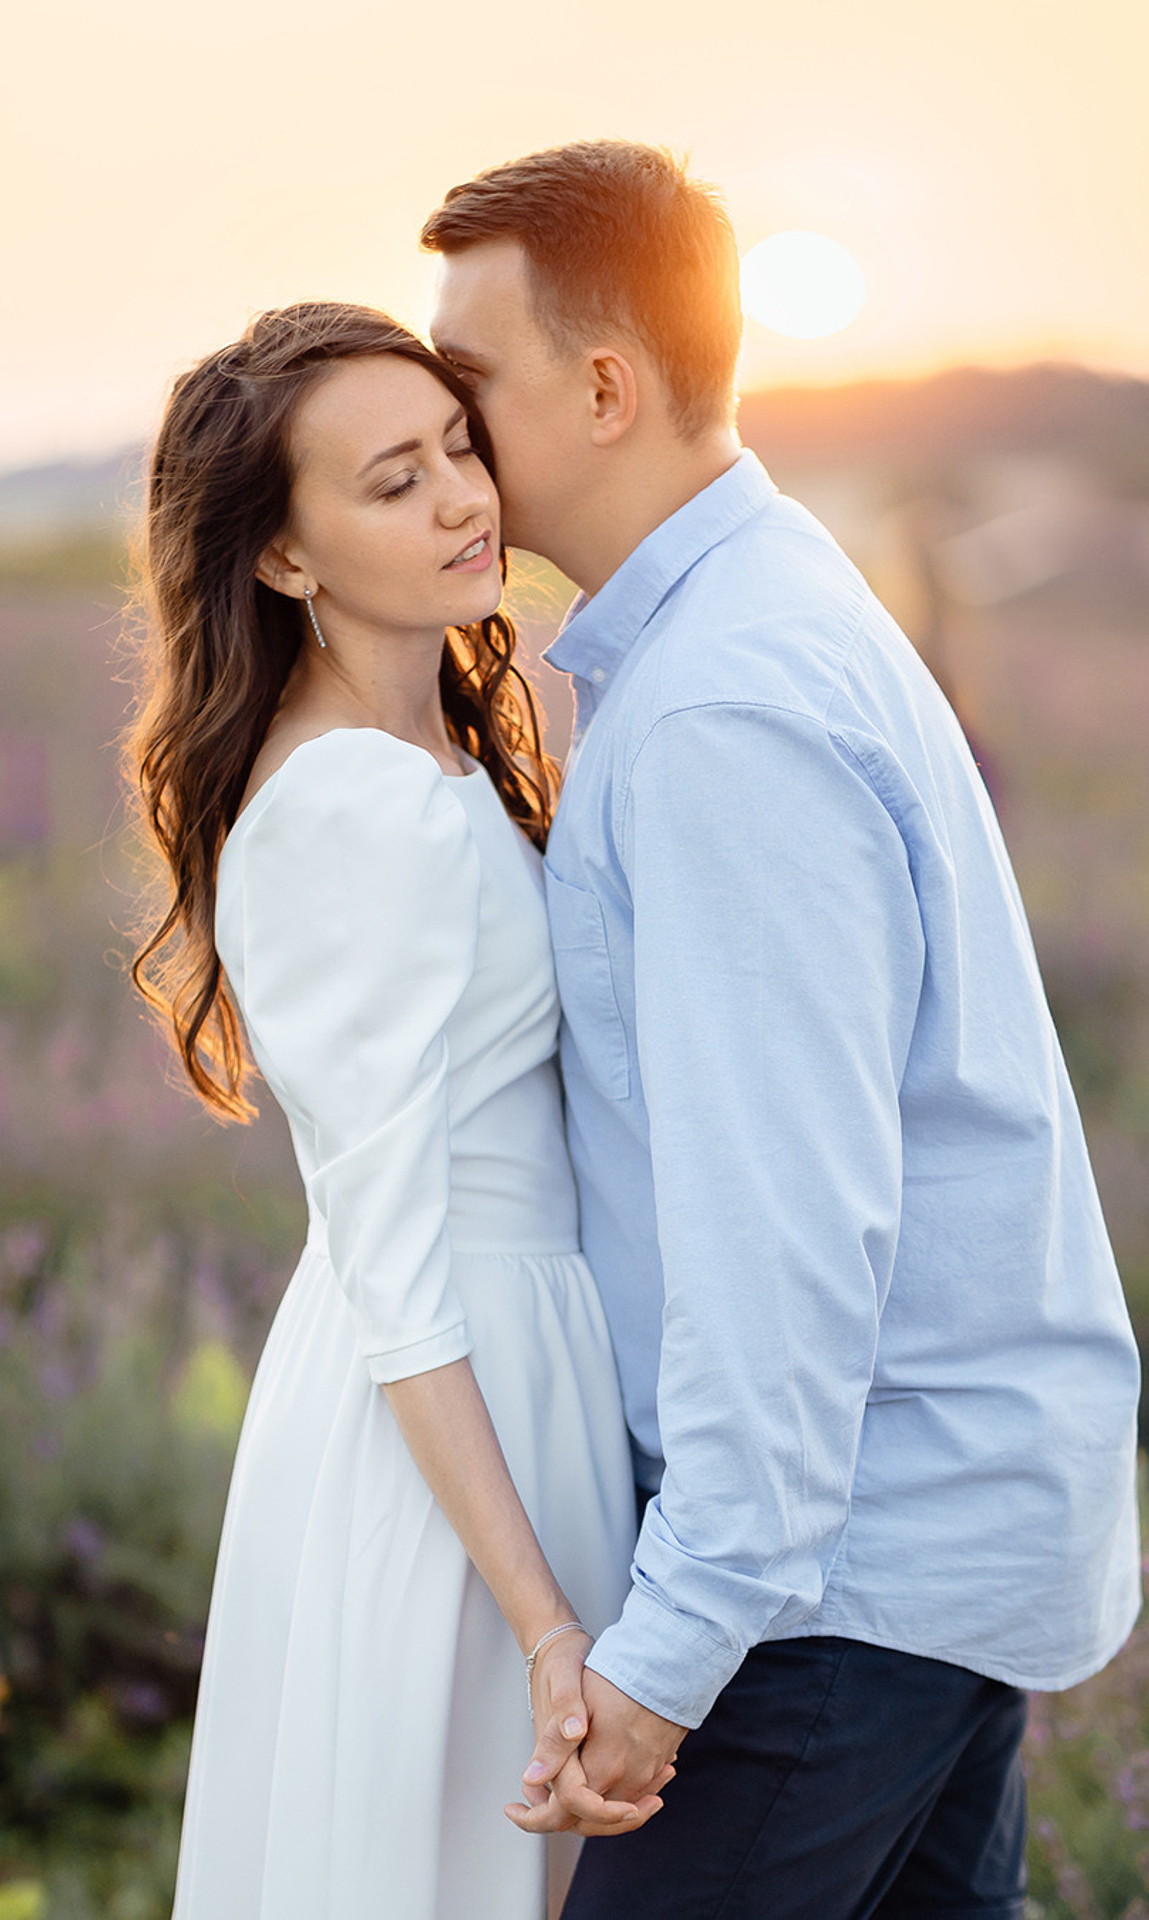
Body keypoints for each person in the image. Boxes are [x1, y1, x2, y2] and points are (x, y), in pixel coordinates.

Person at [422, 140, 1142, 1918]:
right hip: (906, 1542)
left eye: (467, 383)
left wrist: (670, 1653)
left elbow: (789, 1230)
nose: (442, 436)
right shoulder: (743, 624)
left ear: (603, 387)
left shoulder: (721, 709)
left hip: (826, 1585)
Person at [125, 302, 647, 1920]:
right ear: (285, 559)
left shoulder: (432, 752)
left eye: (460, 450)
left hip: (521, 1371)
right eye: (393, 481)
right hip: (453, 1417)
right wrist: (544, 1621)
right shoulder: (345, 802)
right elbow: (394, 1261)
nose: (463, 500)